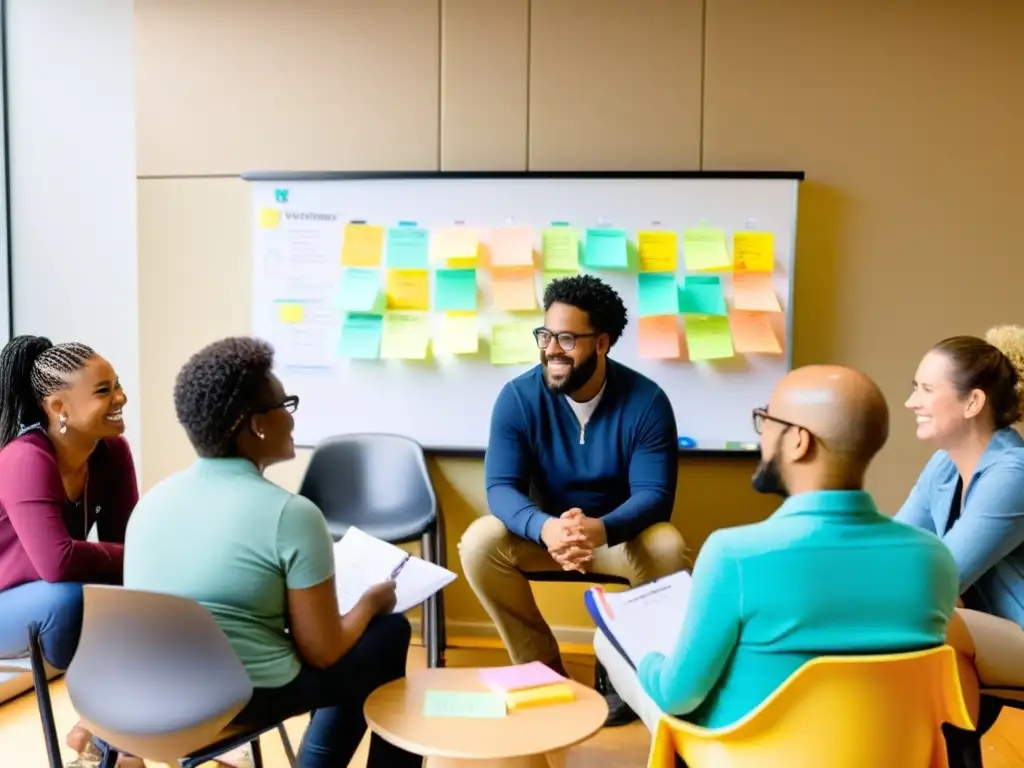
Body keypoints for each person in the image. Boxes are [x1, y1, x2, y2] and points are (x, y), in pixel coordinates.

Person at [593, 365, 959, 737]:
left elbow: (677, 697)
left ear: (800, 441)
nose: (761, 432)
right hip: (887, 754)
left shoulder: (732, 554)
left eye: (766, 419)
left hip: (750, 756)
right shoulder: (934, 559)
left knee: (607, 639)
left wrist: (649, 655)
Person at [123, 337, 421, 768]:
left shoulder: (150, 503)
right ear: (257, 424)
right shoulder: (292, 515)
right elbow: (323, 651)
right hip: (239, 696)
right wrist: (372, 601)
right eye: (287, 405)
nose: (292, 419)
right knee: (388, 633)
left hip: (148, 692)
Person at [459, 275, 688, 726]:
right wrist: (547, 528)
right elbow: (500, 488)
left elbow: (655, 496)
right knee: (481, 541)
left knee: (667, 545)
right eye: (545, 335)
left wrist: (596, 529)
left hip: (617, 537)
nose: (551, 349)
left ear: (602, 343)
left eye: (567, 338)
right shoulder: (518, 398)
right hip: (548, 533)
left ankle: (631, 676)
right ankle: (541, 671)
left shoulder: (647, 402)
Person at [0, 335, 141, 768]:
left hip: (50, 596)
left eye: (117, 384)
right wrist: (144, 555)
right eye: (104, 391)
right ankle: (107, 732)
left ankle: (112, 733)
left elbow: (129, 548)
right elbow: (56, 562)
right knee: (72, 597)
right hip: (13, 603)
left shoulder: (112, 453)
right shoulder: (24, 459)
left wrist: (147, 561)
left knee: (144, 592)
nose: (121, 397)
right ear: (59, 408)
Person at [895, 327, 1024, 726]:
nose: (911, 401)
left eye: (927, 390)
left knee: (926, 616)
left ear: (973, 402)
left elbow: (938, 578)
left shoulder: (1013, 474)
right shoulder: (944, 463)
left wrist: (945, 592)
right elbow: (895, 549)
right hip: (993, 632)